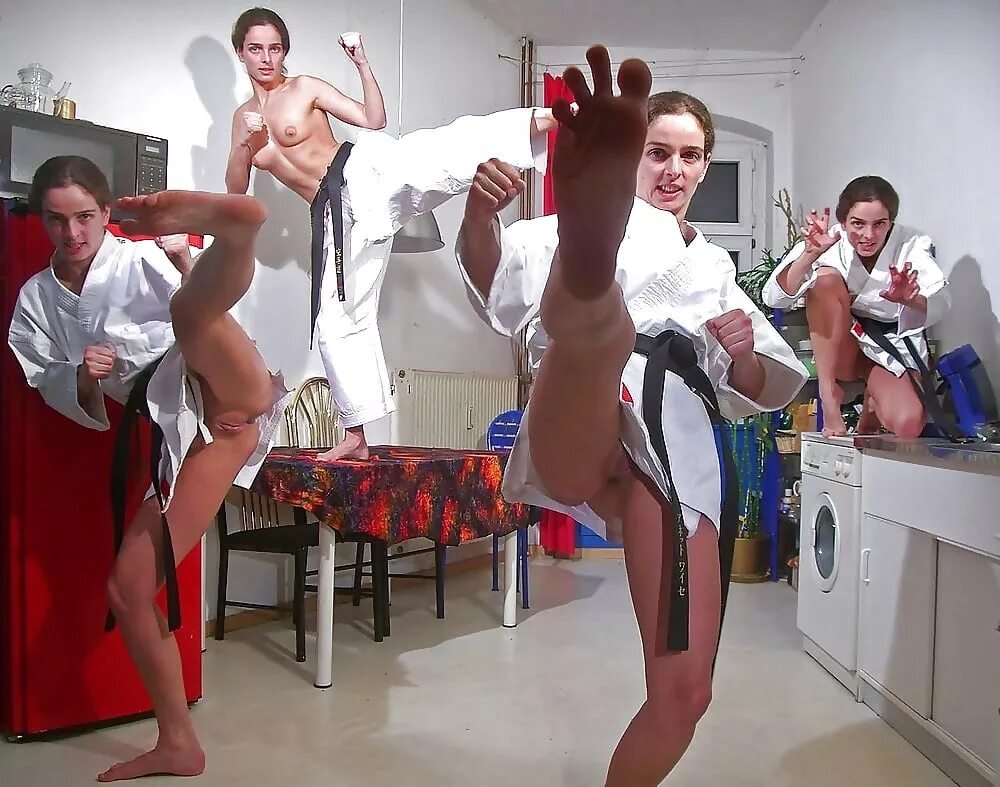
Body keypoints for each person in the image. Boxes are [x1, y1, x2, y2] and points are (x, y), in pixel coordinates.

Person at [456, 47, 807, 786]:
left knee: (685, 695)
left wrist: (742, 352)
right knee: (601, 328)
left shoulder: (715, 268)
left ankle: (592, 286)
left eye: (689, 155)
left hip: (675, 443)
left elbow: (753, 385)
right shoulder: (556, 228)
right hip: (586, 405)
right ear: (633, 158)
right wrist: (479, 217)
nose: (674, 169)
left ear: (705, 167)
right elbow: (496, 282)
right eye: (656, 152)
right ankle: (592, 272)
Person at [7, 155, 290, 782]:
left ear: (106, 213)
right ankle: (178, 742)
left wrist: (184, 263)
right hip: (191, 436)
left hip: (220, 389)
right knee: (129, 591)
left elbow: (209, 318)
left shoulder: (137, 259)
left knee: (191, 312)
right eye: (56, 220)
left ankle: (237, 232)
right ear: (42, 220)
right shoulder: (36, 299)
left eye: (85, 217)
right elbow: (41, 375)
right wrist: (82, 375)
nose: (73, 233)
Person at [225, 7, 557, 460]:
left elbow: (373, 118)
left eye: (275, 48)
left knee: (438, 152)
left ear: (285, 52)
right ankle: (356, 434)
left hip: (359, 172)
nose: (266, 58)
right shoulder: (243, 118)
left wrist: (361, 62)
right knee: (335, 323)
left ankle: (551, 118)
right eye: (256, 49)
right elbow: (235, 190)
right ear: (240, 52)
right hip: (332, 216)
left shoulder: (303, 88)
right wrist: (244, 144)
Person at [762, 176, 950, 437]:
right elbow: (774, 298)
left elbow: (941, 302)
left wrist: (910, 299)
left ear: (891, 222)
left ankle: (872, 401)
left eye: (879, 224)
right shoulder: (828, 241)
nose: (868, 235)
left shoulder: (911, 244)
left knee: (907, 423)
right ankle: (829, 395)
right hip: (841, 346)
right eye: (858, 224)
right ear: (843, 221)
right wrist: (809, 255)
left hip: (889, 347)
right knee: (824, 281)